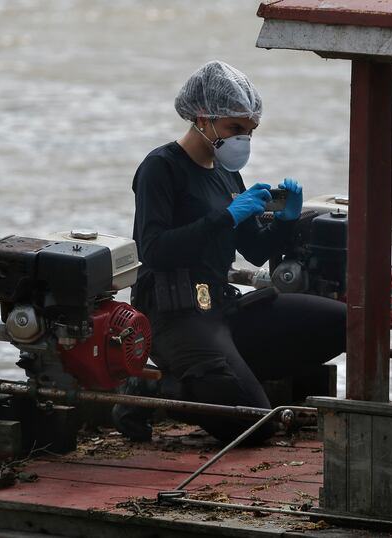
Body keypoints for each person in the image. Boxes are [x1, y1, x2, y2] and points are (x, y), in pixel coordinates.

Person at [113, 60, 345, 444]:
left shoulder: (226, 173)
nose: (243, 140)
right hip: (176, 315)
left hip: (223, 307)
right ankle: (151, 390)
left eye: (250, 131)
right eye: (234, 129)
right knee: (253, 428)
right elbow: (154, 251)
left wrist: (286, 220)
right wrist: (225, 218)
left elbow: (254, 250)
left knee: (346, 322)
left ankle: (227, 375)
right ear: (203, 118)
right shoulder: (161, 168)